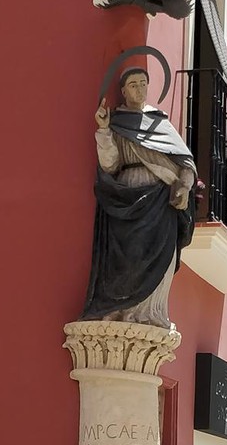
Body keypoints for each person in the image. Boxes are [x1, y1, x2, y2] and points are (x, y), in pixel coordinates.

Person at [81, 67, 197, 329]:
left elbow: (185, 163)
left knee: (161, 253)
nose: (139, 88)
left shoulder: (161, 123)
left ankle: (150, 312)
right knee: (130, 253)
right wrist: (103, 131)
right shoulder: (118, 123)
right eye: (133, 84)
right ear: (123, 91)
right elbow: (110, 165)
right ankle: (124, 309)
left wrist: (185, 187)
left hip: (160, 197)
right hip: (129, 194)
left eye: (143, 83)